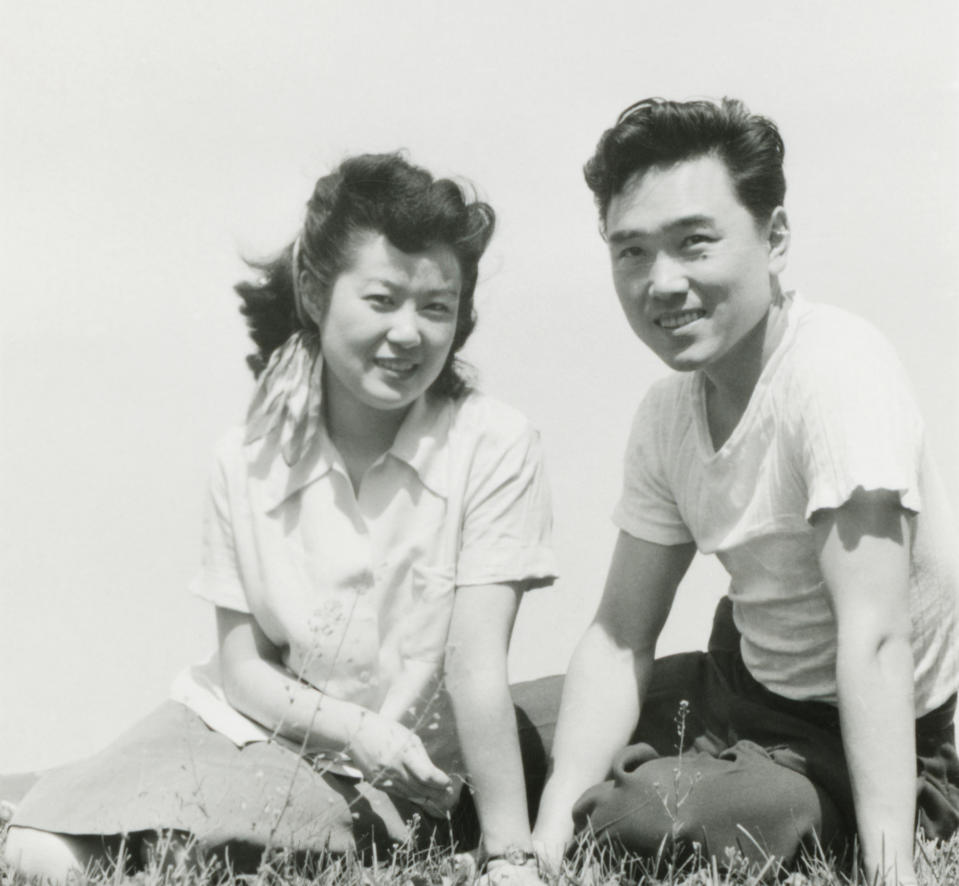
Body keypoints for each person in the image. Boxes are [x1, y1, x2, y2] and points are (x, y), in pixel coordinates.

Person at [4, 153, 558, 882]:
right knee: (39, 849)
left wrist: (509, 853)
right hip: (246, 724)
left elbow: (475, 662)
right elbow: (242, 669)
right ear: (314, 292)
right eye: (382, 299)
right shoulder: (246, 459)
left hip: (394, 772)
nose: (409, 333)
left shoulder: (493, 443)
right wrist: (355, 731)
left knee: (123, 846)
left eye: (436, 307)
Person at [532, 98, 959, 885]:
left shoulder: (837, 373)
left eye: (694, 243)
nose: (661, 283)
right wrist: (551, 824)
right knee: (517, 729)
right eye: (630, 253)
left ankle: (697, 784)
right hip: (740, 686)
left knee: (647, 817)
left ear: (775, 238)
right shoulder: (667, 411)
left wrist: (891, 869)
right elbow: (621, 633)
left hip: (860, 732)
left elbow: (875, 638)